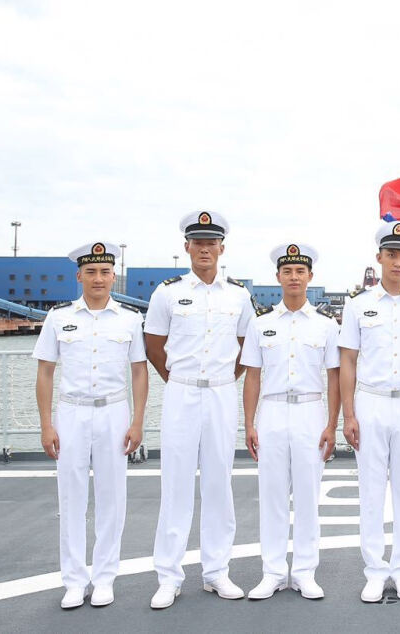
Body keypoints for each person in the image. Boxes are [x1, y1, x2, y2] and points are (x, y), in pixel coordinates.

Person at [144, 211, 254, 609]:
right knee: (174, 483)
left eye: (212, 242)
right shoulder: (167, 293)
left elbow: (246, 349)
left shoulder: (239, 295)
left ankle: (216, 572)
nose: (205, 248)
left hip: (222, 395)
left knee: (218, 483)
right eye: (198, 242)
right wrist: (178, 379)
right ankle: (169, 576)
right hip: (182, 392)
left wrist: (226, 378)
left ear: (222, 248)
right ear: (187, 247)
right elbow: (154, 347)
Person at [33, 242, 148, 609]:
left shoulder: (129, 319)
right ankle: (73, 580)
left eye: (105, 272)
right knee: (71, 497)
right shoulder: (58, 318)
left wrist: (138, 420)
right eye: (91, 272)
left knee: (113, 497)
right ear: (79, 276)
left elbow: (140, 372)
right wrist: (46, 425)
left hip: (114, 413)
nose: (98, 279)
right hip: (71, 414)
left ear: (114, 276)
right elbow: (45, 372)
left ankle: (104, 577)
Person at [338, 220, 400, 603]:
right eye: (391, 254)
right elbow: (348, 360)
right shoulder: (358, 305)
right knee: (371, 490)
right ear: (378, 258)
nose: (397, 262)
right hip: (371, 401)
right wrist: (348, 414)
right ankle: (375, 570)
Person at [241, 243, 341, 601]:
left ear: (310, 277)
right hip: (271, 411)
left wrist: (333, 424)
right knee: (272, 495)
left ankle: (304, 572)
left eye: (301, 271)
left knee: (308, 494)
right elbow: (252, 376)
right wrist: (249, 423)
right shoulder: (261, 323)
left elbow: (334, 378)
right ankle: (272, 571)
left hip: (310, 412)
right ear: (278, 277)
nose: (294, 277)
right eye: (288, 271)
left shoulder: (327, 326)